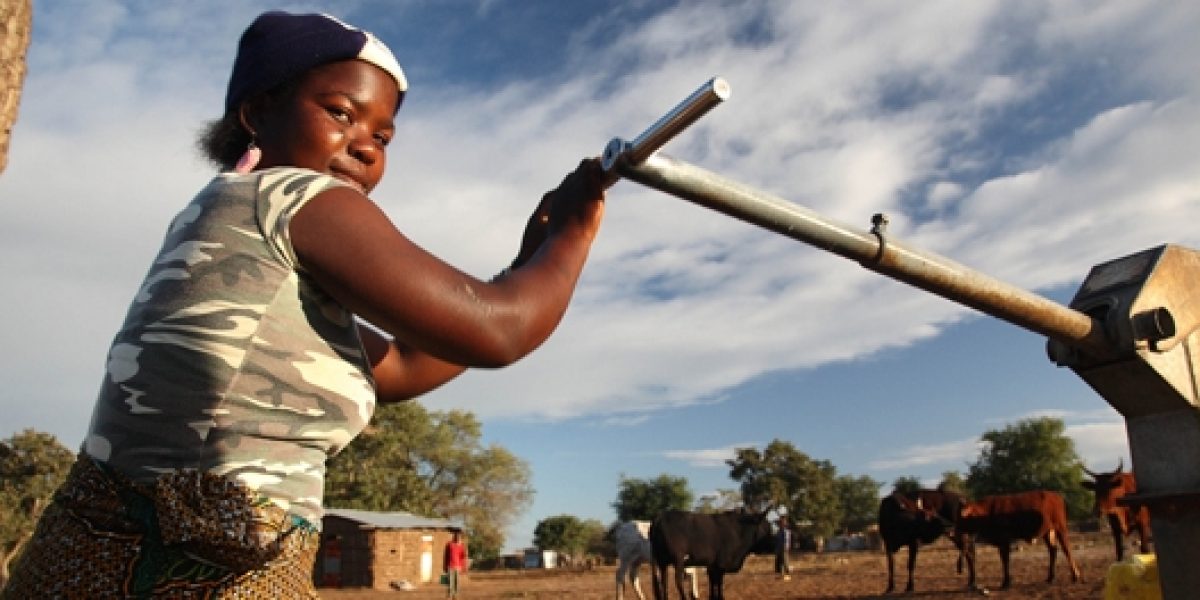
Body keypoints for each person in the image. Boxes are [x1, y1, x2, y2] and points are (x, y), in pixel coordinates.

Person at [2, 10, 604, 598]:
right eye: (341, 113)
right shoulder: (294, 196)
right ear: (259, 111)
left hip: (92, 559)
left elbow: (402, 365)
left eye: (382, 136)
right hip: (204, 566)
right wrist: (571, 236)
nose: (364, 146)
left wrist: (524, 267)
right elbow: (495, 332)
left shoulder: (234, 222)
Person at [443, 531, 468, 598]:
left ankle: (455, 596)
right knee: (450, 583)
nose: (457, 538)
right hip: (450, 566)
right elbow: (445, 556)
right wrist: (444, 566)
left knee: (457, 583)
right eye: (456, 536)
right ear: (454, 537)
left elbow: (463, 557)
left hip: (458, 566)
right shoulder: (449, 545)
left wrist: (464, 567)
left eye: (459, 537)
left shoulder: (461, 546)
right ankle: (449, 596)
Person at [775, 515, 793, 581]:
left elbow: (787, 540)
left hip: (784, 548)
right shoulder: (779, 531)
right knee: (779, 562)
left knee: (785, 561)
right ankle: (781, 575)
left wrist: (786, 548)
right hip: (779, 548)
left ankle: (787, 575)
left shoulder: (786, 531)